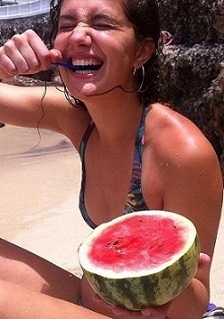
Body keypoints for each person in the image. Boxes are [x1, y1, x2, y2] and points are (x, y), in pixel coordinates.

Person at [0, 0, 223, 318]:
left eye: (102, 24)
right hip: (89, 296)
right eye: (66, 25)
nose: (78, 35)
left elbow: (196, 299)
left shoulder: (180, 151)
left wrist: (172, 284)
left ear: (142, 52)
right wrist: (2, 69)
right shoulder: (75, 118)